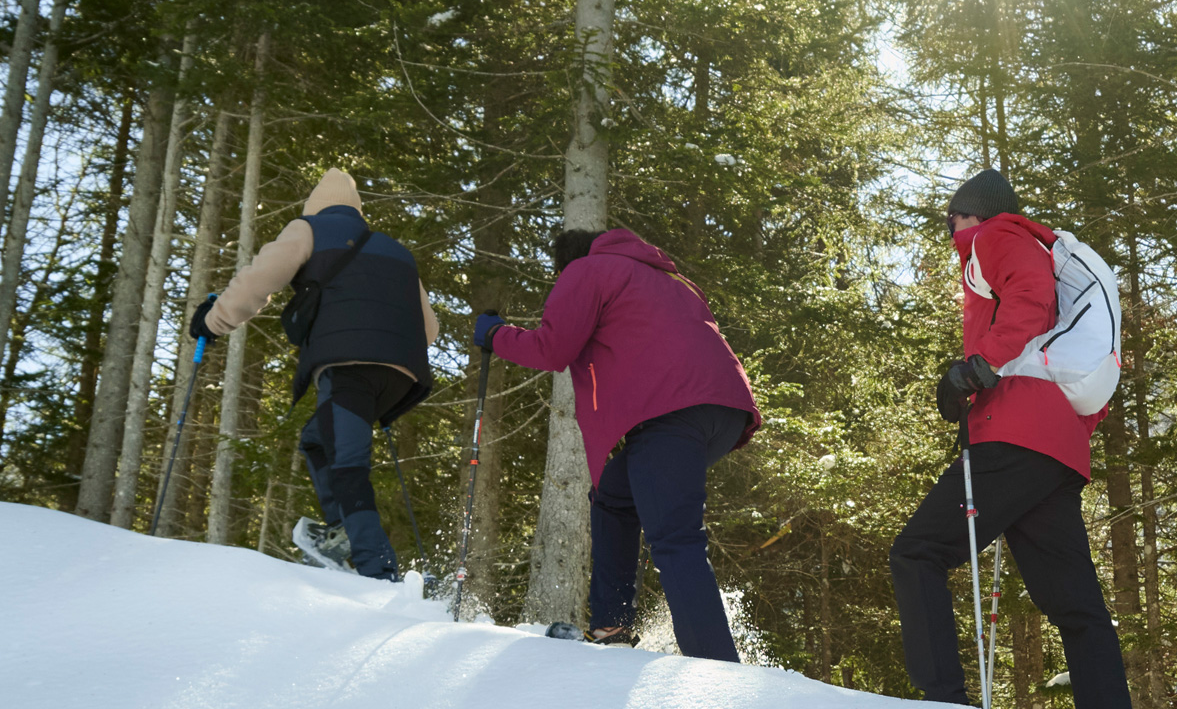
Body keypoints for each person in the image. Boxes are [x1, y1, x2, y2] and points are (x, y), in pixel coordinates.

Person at [892, 167, 1135, 709]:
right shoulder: (1048, 252)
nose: (949, 229)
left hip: (1013, 431)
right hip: (1055, 444)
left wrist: (978, 368)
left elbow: (1027, 298)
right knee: (1073, 601)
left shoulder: (997, 236)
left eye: (951, 218)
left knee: (918, 551)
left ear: (968, 213)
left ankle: (943, 706)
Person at [478, 225, 759, 658]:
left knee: (675, 537)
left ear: (566, 264)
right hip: (724, 409)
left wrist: (496, 335)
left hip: (670, 409)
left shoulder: (588, 270)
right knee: (614, 495)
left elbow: (552, 349)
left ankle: (716, 668)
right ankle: (612, 625)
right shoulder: (669, 278)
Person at [201, 167, 427, 579]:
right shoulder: (396, 250)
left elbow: (259, 280)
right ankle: (343, 533)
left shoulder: (309, 229)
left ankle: (377, 568)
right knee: (318, 440)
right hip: (400, 376)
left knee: (348, 459)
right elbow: (428, 326)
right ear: (357, 211)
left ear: (315, 207)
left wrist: (214, 321)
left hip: (347, 366)